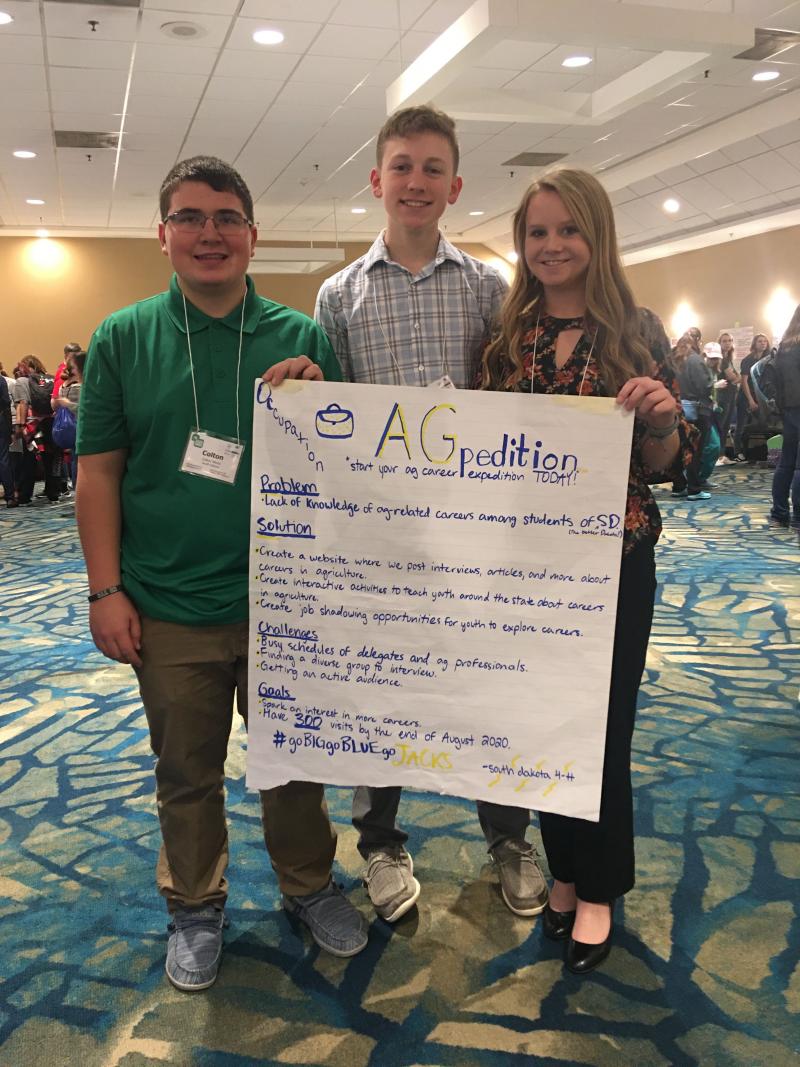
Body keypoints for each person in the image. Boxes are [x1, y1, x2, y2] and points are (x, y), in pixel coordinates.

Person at [76, 155, 368, 993]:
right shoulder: (122, 337)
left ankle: (308, 886)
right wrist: (105, 589)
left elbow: (344, 473)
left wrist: (324, 401)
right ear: (161, 233)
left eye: (227, 217)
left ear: (253, 233)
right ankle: (196, 905)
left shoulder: (301, 337)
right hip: (168, 604)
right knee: (187, 771)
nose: (211, 234)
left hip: (286, 601)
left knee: (292, 766)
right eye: (191, 217)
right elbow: (98, 474)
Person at [315, 106, 544, 927]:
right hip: (380, 538)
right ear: (377, 181)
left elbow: (514, 405)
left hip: (474, 536)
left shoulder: (489, 286)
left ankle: (509, 835)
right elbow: (329, 420)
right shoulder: (338, 294)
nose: (416, 181)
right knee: (383, 693)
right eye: (401, 166)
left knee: (485, 689)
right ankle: (380, 840)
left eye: (432, 167)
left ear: (455, 185)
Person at [480, 167, 697, 973]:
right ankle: (562, 871)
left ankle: (598, 889)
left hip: (613, 567)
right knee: (542, 727)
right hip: (526, 567)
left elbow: (669, 463)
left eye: (568, 230)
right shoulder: (508, 338)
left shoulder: (635, 330)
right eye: (537, 232)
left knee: (601, 732)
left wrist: (663, 420)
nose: (552, 245)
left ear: (597, 237)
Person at [769, 305, 800, 528]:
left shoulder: (784, 347)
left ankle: (780, 512)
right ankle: (798, 514)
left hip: (789, 410)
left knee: (786, 463)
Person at [675, 333, 715, 500]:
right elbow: (704, 386)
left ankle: (678, 486)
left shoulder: (675, 361)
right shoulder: (695, 360)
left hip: (679, 408)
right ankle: (694, 488)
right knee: (695, 449)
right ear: (695, 343)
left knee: (678, 450)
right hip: (698, 409)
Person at [734, 333, 770, 461]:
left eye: (765, 341)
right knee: (741, 425)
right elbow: (744, 381)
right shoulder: (748, 360)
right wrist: (750, 400)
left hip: (761, 398)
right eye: (760, 341)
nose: (763, 343)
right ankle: (737, 452)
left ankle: (769, 451)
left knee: (764, 423)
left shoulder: (768, 359)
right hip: (746, 397)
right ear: (754, 343)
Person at [715, 332, 740, 458]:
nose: (727, 343)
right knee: (720, 426)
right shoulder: (722, 360)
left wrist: (736, 378)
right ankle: (717, 455)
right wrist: (736, 378)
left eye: (730, 340)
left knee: (725, 427)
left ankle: (722, 454)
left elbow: (737, 378)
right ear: (719, 343)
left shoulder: (729, 359)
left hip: (730, 395)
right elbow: (733, 377)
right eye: (724, 341)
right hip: (722, 396)